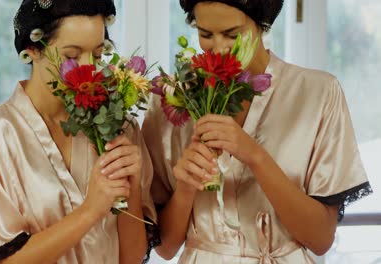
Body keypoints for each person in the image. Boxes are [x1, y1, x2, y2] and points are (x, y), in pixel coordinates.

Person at [142, 0, 372, 263]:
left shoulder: (318, 93)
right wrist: (185, 187)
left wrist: (255, 156)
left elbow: (321, 240)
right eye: (205, 34)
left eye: (232, 34)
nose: (218, 48)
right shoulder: (173, 97)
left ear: (262, 25)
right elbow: (167, 248)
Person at [0, 0, 157, 263]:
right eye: (72, 56)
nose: (88, 69)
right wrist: (90, 211)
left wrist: (131, 188)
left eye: (97, 55)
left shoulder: (118, 127)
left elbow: (130, 258)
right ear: (32, 50)